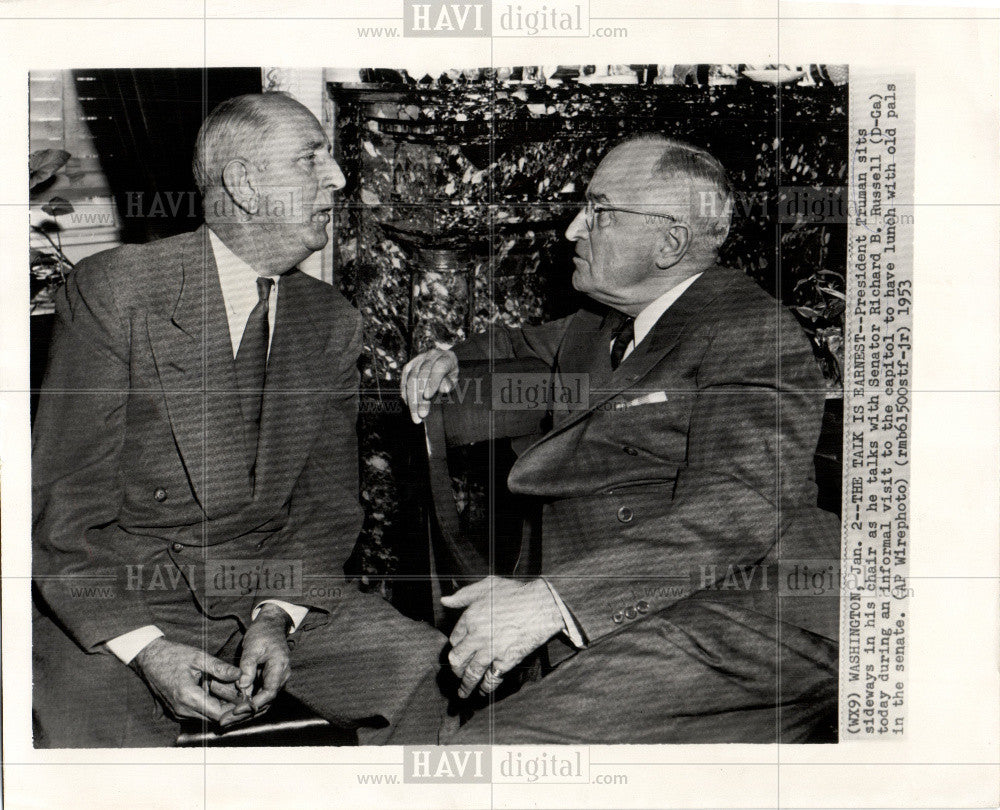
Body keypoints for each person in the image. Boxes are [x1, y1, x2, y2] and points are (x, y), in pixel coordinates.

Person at [32, 92, 447, 747]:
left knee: (423, 672)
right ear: (248, 184)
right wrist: (146, 649)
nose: (337, 178)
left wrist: (275, 616)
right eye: (312, 160)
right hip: (126, 600)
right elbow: (63, 513)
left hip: (261, 591)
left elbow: (326, 509)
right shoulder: (118, 291)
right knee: (95, 751)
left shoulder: (330, 321)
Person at [402, 134, 840, 743]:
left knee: (491, 755)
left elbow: (735, 512)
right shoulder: (602, 325)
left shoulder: (748, 329)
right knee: (439, 743)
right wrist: (449, 357)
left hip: (747, 615)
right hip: (628, 605)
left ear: (670, 243)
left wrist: (550, 602)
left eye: (599, 212)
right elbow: (518, 346)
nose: (572, 229)